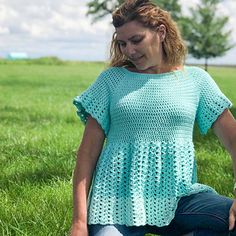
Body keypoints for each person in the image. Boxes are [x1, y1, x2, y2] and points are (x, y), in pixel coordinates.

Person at [70, 0, 236, 235]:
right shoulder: (110, 81)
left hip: (180, 200)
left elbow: (233, 140)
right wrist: (79, 222)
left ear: (160, 32)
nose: (129, 50)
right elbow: (87, 154)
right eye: (122, 43)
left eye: (136, 40)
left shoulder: (197, 80)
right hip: (115, 203)